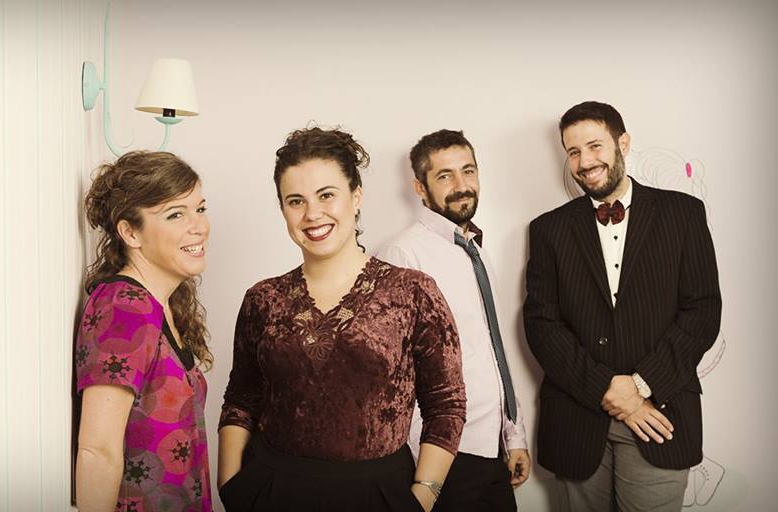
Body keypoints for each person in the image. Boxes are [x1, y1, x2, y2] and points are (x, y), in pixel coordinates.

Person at [217, 127, 466, 512]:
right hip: (272, 490)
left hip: (379, 493)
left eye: (326, 195)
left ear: (356, 196)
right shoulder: (262, 299)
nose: (312, 214)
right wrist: (231, 487)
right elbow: (240, 400)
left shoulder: (413, 291)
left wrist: (422, 496)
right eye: (296, 201)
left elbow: (446, 405)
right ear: (282, 209)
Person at [523, 101, 722, 511]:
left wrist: (640, 387)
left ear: (623, 143)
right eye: (573, 151)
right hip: (576, 421)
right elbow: (542, 324)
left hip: (659, 415)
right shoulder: (547, 230)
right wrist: (604, 387)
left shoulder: (683, 213)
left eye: (595, 146)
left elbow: (702, 311)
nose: (584, 162)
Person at [378, 129, 531, 511]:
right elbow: (392, 376)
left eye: (468, 171)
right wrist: (425, 466)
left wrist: (513, 435)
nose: (462, 185)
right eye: (445, 175)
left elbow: (493, 348)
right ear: (420, 187)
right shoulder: (402, 256)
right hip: (444, 455)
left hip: (492, 449)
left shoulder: (475, 251)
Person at [74, 151, 214, 512]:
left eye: (200, 208)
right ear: (130, 232)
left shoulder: (163, 303)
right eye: (176, 214)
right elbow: (97, 450)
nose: (199, 226)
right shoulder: (124, 307)